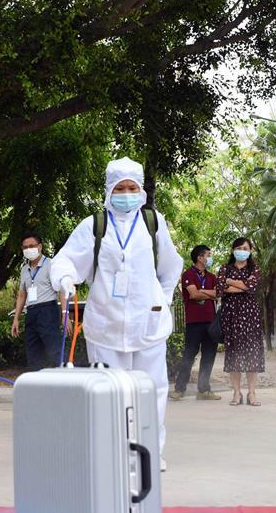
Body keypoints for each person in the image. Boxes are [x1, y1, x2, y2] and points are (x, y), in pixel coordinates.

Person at [51, 157, 184, 471]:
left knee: (152, 391)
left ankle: (150, 452)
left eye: (132, 188)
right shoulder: (94, 225)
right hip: (106, 326)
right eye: (120, 188)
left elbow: (170, 266)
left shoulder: (152, 223)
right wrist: (65, 278)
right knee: (110, 394)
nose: (126, 194)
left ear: (141, 191)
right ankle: (114, 454)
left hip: (148, 324)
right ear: (109, 190)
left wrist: (162, 300)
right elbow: (66, 259)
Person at [216, 237, 265, 406]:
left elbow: (251, 287)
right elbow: (220, 289)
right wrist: (242, 285)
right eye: (238, 248)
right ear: (233, 250)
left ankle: (252, 393)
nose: (241, 251)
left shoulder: (255, 269)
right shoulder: (224, 268)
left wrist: (231, 282)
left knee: (252, 354)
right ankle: (236, 393)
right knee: (234, 354)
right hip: (231, 316)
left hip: (251, 316)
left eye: (245, 248)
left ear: (250, 251)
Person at [11, 233, 70, 369]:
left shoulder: (51, 264)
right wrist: (16, 319)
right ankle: (36, 379)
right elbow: (22, 295)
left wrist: (65, 314)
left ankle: (64, 377)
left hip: (48, 311)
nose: (28, 249)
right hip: (31, 313)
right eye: (25, 247)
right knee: (33, 352)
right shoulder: (24, 269)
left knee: (54, 350)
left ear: (40, 247)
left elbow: (62, 290)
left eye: (31, 246)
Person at [171, 245, 219, 400]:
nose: (210, 258)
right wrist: (208, 293)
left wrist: (202, 291)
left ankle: (204, 390)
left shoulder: (212, 277)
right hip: (194, 322)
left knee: (209, 356)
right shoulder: (188, 274)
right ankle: (179, 389)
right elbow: (193, 294)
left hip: (211, 322)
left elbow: (218, 294)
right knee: (189, 355)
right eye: (208, 255)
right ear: (199, 258)